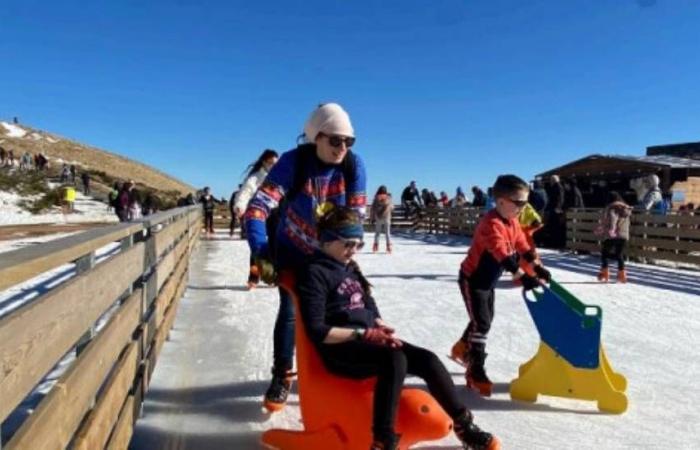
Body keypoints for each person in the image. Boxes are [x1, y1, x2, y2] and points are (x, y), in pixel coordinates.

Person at [298, 207, 499, 450]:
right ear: (328, 240)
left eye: (359, 245)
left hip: (368, 340)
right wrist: (364, 333)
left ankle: (463, 425)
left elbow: (366, 302)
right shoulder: (314, 273)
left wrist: (379, 324)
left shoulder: (349, 267)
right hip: (339, 348)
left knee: (428, 360)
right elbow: (317, 331)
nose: (354, 251)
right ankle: (383, 440)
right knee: (394, 360)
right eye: (349, 244)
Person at [244, 103, 366, 412]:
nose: (342, 147)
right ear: (316, 137)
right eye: (335, 140)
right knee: (290, 311)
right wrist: (261, 250)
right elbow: (257, 208)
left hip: (331, 256)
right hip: (293, 251)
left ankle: (334, 372)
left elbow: (355, 217)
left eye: (348, 141)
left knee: (340, 312)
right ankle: (282, 373)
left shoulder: (353, 166)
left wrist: (347, 252)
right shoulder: (293, 162)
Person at [450, 175, 552, 397]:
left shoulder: (512, 222)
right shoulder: (491, 224)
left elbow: (522, 245)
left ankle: (461, 347)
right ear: (502, 201)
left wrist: (536, 265)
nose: (523, 208)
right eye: (519, 203)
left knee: (483, 318)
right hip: (472, 280)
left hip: (488, 282)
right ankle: (475, 369)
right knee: (482, 322)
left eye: (526, 202)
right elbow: (503, 256)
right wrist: (524, 277)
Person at [235, 149, 279, 287]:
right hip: (258, 215)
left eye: (276, 163)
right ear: (265, 162)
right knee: (258, 248)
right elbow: (245, 193)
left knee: (275, 246)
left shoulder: (279, 177)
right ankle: (253, 278)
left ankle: (273, 276)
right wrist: (240, 206)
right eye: (271, 163)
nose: (273, 166)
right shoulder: (255, 178)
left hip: (275, 215)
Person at [596, 192, 632, 283]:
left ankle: (605, 273)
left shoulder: (612, 207)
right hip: (624, 236)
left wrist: (612, 229)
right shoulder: (626, 209)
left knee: (604, 253)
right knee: (619, 254)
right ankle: (622, 275)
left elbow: (613, 218)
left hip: (613, 234)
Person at [370, 185, 393, 253]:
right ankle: (388, 247)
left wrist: (372, 218)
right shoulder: (388, 198)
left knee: (377, 233)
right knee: (387, 233)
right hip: (387, 217)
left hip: (378, 217)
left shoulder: (376, 198)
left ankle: (375, 246)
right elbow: (392, 207)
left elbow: (372, 208)